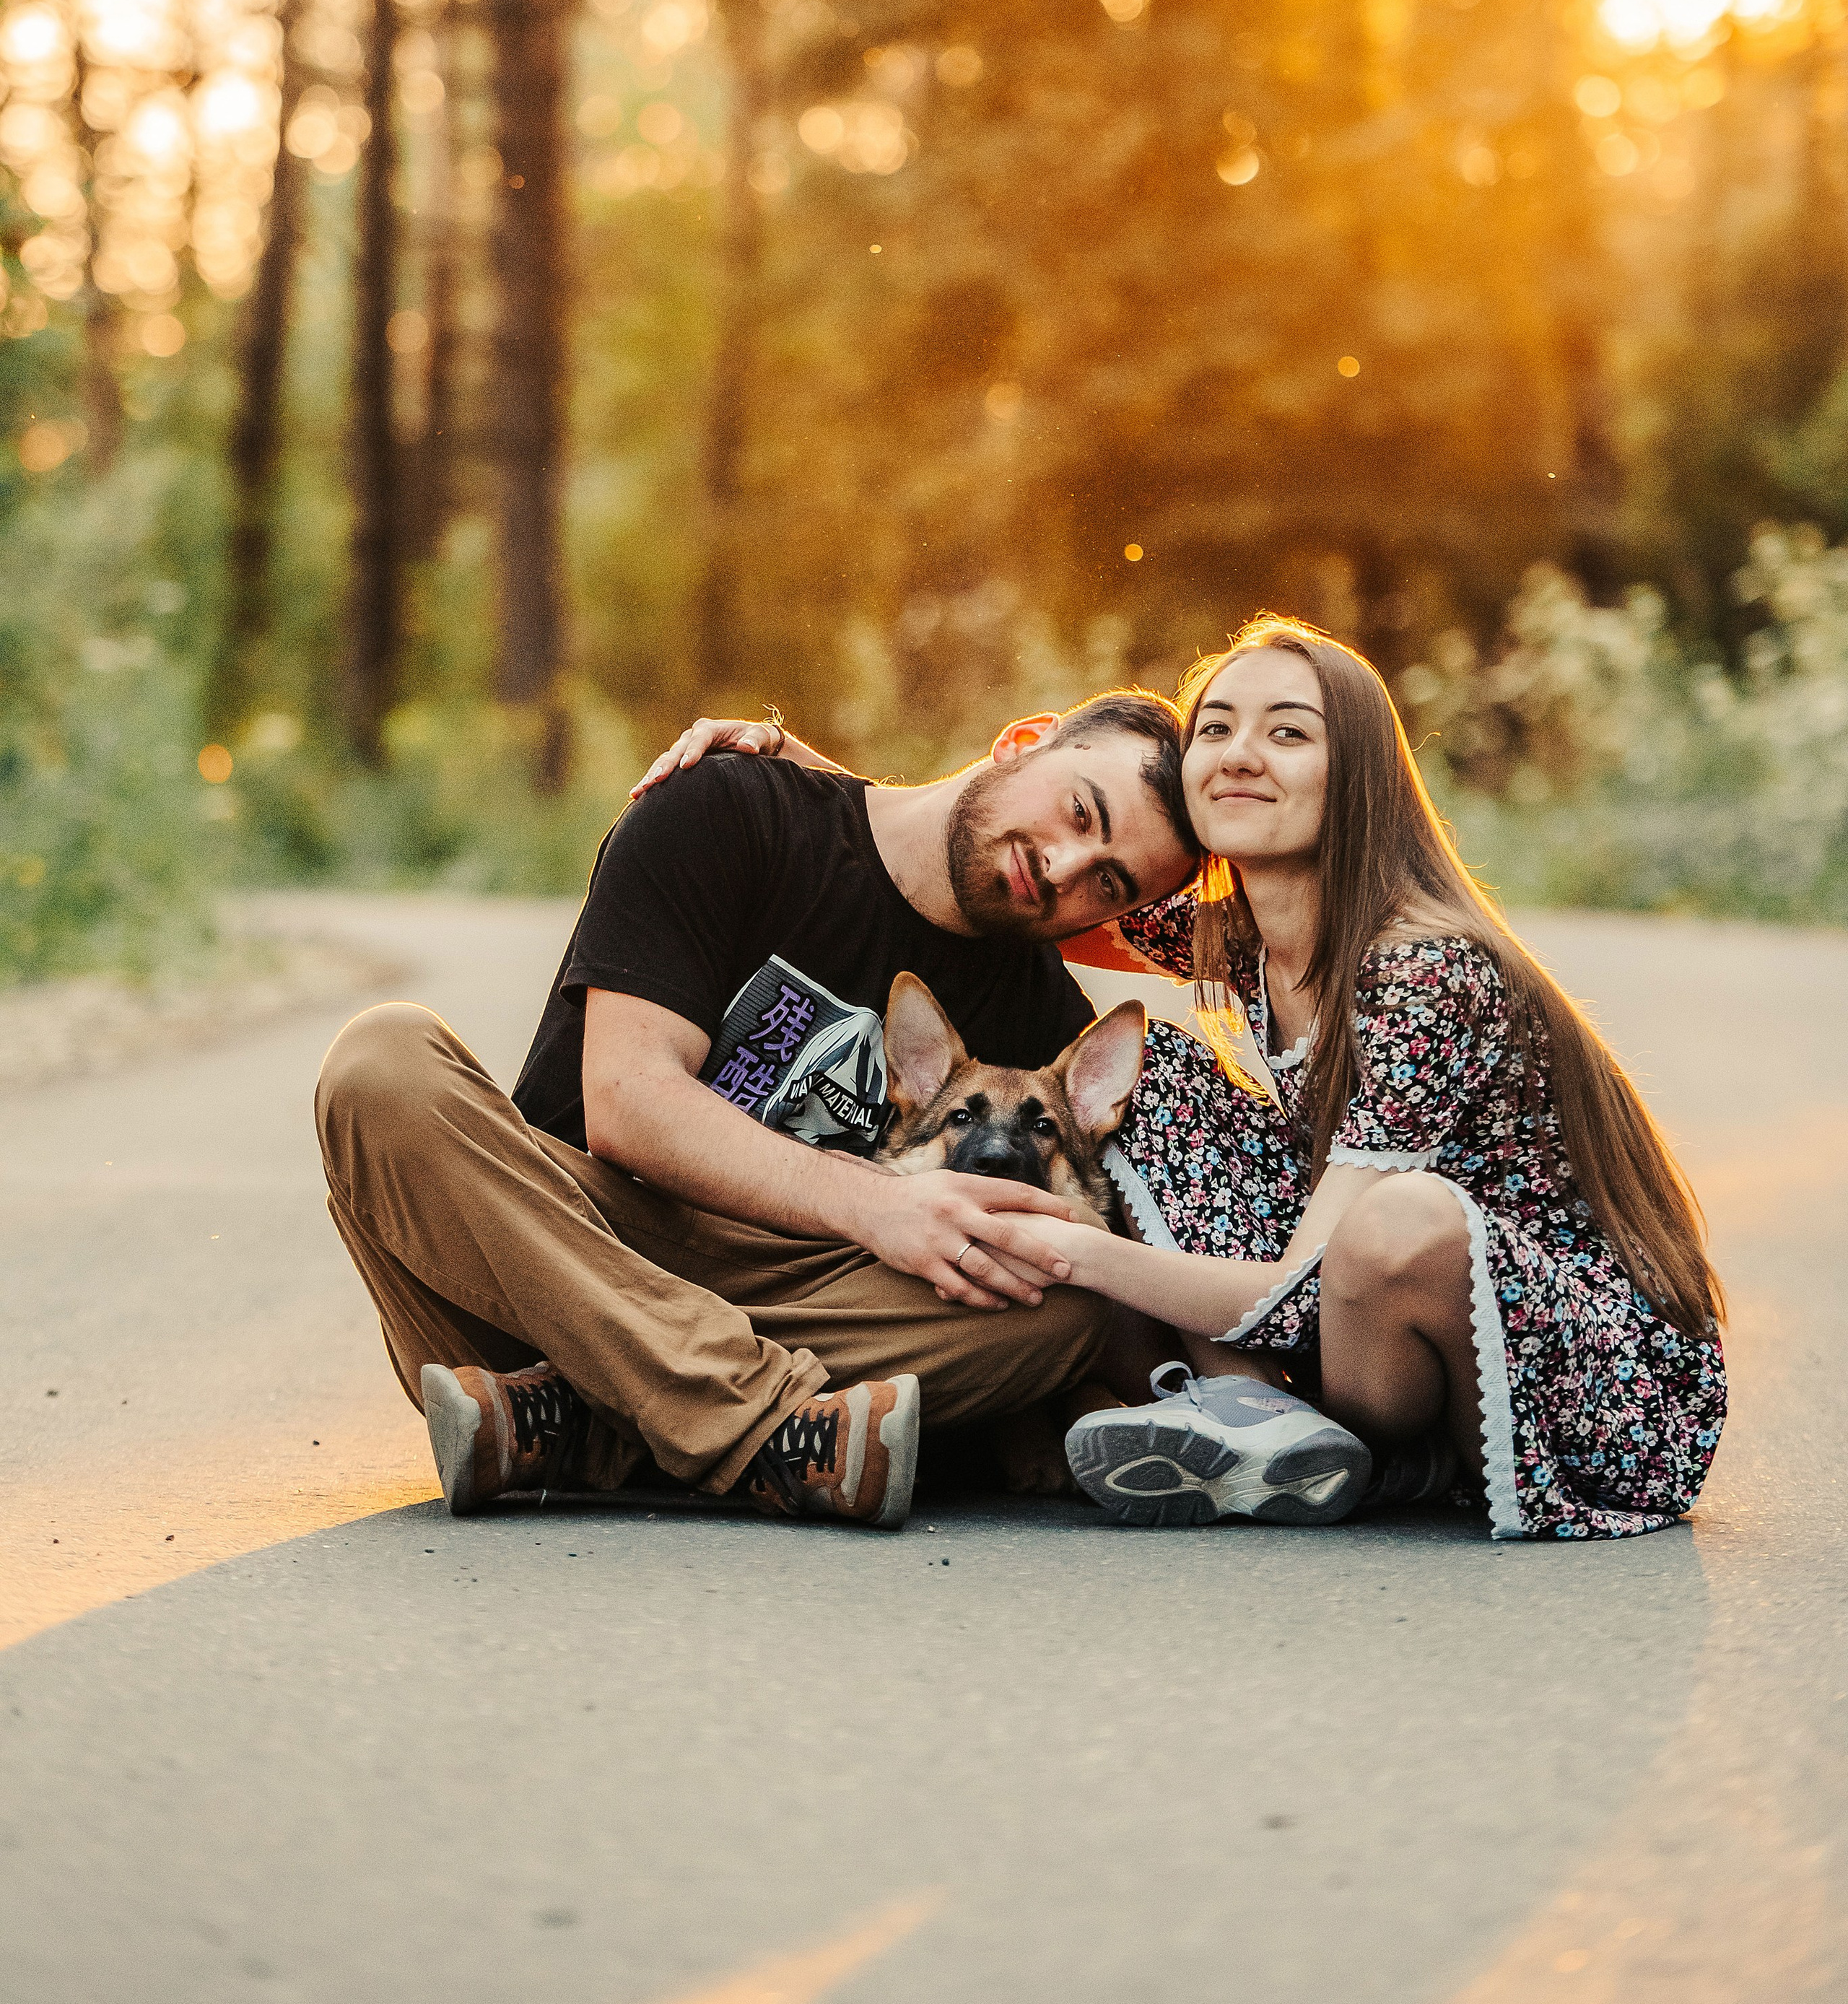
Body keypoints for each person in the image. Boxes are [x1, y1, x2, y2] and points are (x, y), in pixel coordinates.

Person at [675, 618, 1728, 1541]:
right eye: (1217, 726)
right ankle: (1249, 1413)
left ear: (1353, 771)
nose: (1237, 753)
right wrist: (802, 775)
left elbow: (1308, 1286)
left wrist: (1067, 1249)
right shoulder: (1237, 935)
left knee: (1393, 1219)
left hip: (1592, 1374)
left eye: (1288, 731)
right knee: (1146, 1075)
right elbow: (994, 855)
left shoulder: (1422, 966)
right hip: (1383, 1327)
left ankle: (1310, 1430)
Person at [313, 691, 1207, 1534]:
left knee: (1060, 1310)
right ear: (1024, 742)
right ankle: (763, 1430)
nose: (1060, 867)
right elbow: (625, 1107)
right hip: (549, 1265)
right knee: (380, 1062)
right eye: (1080, 813)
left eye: (1109, 884)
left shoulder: (1039, 1023)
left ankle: (587, 1422)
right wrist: (875, 1204)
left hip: (777, 1306)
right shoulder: (730, 808)